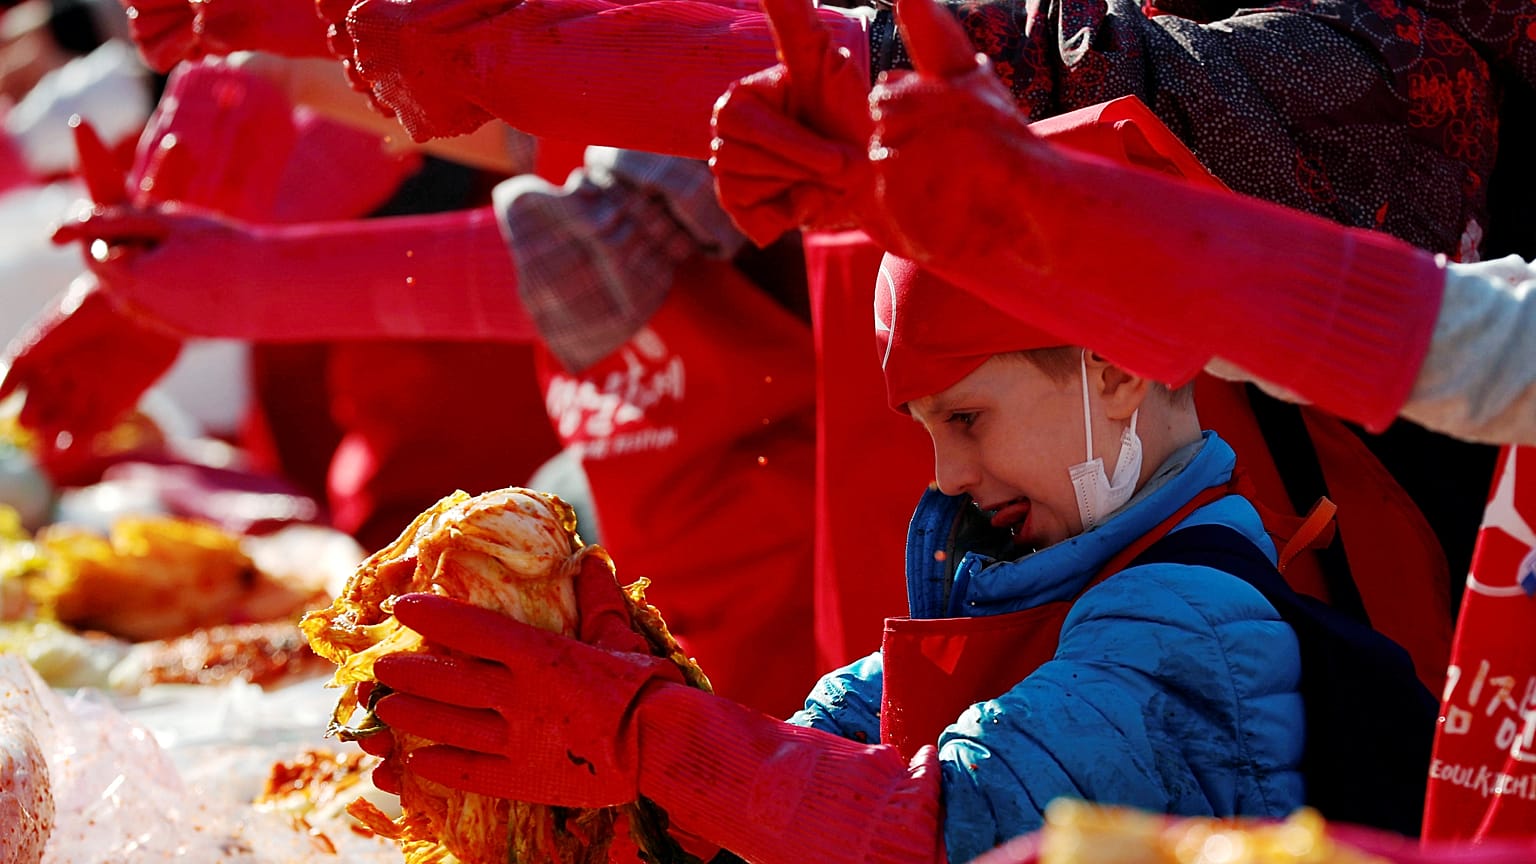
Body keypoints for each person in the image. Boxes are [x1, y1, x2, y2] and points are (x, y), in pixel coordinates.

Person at [352, 246, 1442, 863]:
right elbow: (811, 760)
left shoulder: (1189, 620)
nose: (945, 477)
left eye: (965, 419)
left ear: (1117, 367)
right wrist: (623, 722)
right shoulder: (1025, 592)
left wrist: (648, 731)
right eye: (924, 429)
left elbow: (949, 827)